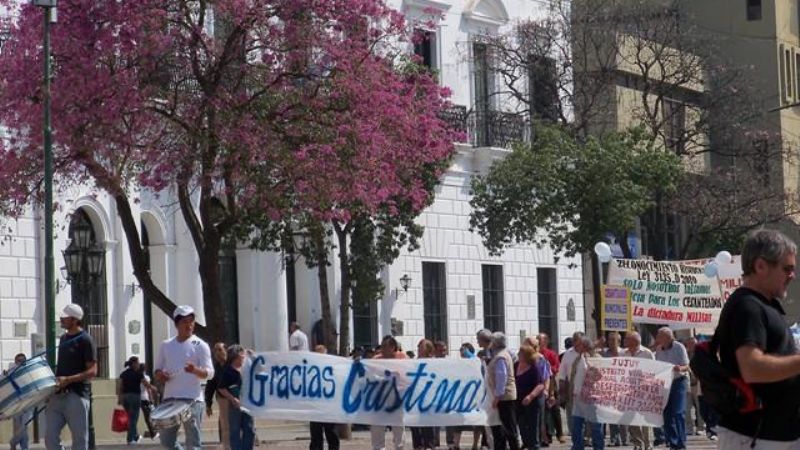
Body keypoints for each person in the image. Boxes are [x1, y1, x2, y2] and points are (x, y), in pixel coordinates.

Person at [715, 229, 800, 449]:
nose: (793, 275)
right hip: (754, 437)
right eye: (787, 269)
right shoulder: (748, 307)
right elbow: (752, 368)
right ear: (761, 266)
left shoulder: (765, 305)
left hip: (773, 435)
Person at [154, 305, 214, 450]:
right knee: (167, 442)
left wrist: (195, 370)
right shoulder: (166, 345)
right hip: (170, 398)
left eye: (191, 321)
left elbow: (210, 373)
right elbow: (157, 371)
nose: (189, 325)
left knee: (193, 443)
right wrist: (161, 376)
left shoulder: (200, 345)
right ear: (176, 324)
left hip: (192, 399)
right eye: (185, 322)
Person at [46, 303, 97, 450]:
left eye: (65, 317)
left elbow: (93, 371)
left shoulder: (86, 340)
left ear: (75, 320)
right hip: (58, 394)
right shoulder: (63, 339)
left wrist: (68, 380)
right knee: (50, 437)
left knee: (80, 440)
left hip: (77, 395)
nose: (61, 318)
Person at [566, 336, 603, 450]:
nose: (576, 346)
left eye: (579, 344)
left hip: (592, 399)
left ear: (585, 346)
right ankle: (577, 447)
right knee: (576, 427)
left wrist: (589, 361)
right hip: (577, 398)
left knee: (595, 427)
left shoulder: (597, 358)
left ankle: (598, 447)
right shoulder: (578, 358)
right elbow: (573, 376)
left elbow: (598, 376)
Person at [654, 327, 689, 450]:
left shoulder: (679, 347)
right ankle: (674, 443)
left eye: (659, 336)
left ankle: (681, 442)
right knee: (667, 413)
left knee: (678, 412)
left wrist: (680, 368)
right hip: (665, 384)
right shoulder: (658, 350)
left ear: (668, 338)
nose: (657, 338)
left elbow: (687, 365)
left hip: (679, 382)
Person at [370, 336, 406, 450]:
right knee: (377, 426)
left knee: (398, 426)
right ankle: (378, 448)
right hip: (380, 398)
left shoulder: (402, 358)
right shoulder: (376, 359)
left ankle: (399, 447)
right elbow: (370, 375)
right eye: (382, 346)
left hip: (397, 397)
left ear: (393, 347)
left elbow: (407, 375)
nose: (383, 349)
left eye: (386, 346)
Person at [487, 332, 520, 450]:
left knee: (509, 427)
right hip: (505, 396)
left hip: (505, 396)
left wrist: (497, 397)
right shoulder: (502, 355)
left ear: (494, 343)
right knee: (506, 426)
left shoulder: (501, 357)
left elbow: (502, 378)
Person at [218, 345, 254, 450]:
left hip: (248, 404)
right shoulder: (227, 371)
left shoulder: (246, 368)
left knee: (249, 429)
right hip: (235, 405)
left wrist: (253, 356)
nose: (243, 358)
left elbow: (261, 368)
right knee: (235, 430)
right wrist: (232, 399)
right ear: (235, 357)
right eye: (241, 356)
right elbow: (221, 388)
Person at [515, 342, 549, 450]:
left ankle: (534, 446)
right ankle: (527, 444)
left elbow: (540, 385)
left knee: (533, 428)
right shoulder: (515, 365)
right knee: (521, 426)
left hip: (533, 401)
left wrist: (530, 396)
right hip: (518, 401)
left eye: (520, 353)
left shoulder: (534, 367)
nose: (518, 354)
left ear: (526, 355)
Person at [624, 332, 654, 450]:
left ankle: (648, 444)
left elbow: (654, 370)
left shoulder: (647, 353)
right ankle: (637, 443)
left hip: (644, 390)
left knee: (645, 419)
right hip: (629, 391)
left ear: (634, 341)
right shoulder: (623, 353)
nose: (624, 341)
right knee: (632, 419)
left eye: (627, 339)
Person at [117, 356, 155, 444]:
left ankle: (134, 436)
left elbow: (120, 387)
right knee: (133, 418)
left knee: (130, 418)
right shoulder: (138, 373)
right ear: (134, 364)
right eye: (137, 363)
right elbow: (146, 383)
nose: (138, 364)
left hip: (125, 397)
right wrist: (153, 388)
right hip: (134, 396)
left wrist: (120, 398)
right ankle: (130, 439)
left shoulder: (124, 374)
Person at [309, 345, 339, 450]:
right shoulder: (310, 369)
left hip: (329, 406)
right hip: (315, 406)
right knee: (316, 436)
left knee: (332, 433)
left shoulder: (333, 368)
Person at [600, 332, 627, 447]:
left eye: (613, 340)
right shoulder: (603, 353)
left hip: (623, 387)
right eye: (609, 340)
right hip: (609, 388)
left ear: (619, 341)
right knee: (611, 414)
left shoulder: (625, 353)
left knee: (623, 415)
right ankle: (614, 438)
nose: (610, 342)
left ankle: (625, 438)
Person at [537, 333, 564, 446]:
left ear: (545, 341)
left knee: (555, 410)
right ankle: (547, 436)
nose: (538, 342)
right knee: (543, 413)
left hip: (552, 384)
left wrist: (547, 367)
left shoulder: (551, 354)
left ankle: (560, 433)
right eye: (537, 340)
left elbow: (557, 368)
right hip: (540, 386)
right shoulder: (535, 355)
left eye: (540, 340)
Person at [411, 340, 436, 450]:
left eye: (421, 347)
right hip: (415, 397)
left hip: (428, 397)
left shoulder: (434, 362)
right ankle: (418, 446)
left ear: (428, 349)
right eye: (418, 347)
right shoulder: (413, 362)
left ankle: (429, 445)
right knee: (415, 423)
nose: (419, 349)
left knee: (428, 423)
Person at [557, 331, 584, 435]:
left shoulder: (588, 353)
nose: (575, 342)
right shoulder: (567, 354)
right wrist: (562, 392)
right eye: (574, 340)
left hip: (586, 392)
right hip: (571, 391)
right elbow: (562, 374)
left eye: (577, 340)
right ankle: (576, 439)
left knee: (584, 418)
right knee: (572, 418)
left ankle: (585, 438)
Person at [205, 342, 230, 450]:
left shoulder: (233, 365)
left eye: (220, 350)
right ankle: (225, 445)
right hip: (222, 399)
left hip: (237, 399)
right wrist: (208, 404)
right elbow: (210, 387)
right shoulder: (215, 368)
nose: (217, 353)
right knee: (224, 424)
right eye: (215, 351)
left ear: (226, 350)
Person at [7, 353, 31, 450]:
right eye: (18, 361)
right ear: (15, 362)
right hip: (16, 403)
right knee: (18, 428)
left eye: (23, 361)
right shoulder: (11, 371)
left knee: (24, 427)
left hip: (28, 402)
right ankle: (23, 448)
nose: (21, 363)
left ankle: (13, 442)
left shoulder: (29, 371)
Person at [682, 337, 704, 437]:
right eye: (690, 344)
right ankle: (689, 428)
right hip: (686, 384)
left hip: (698, 384)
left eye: (693, 344)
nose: (692, 345)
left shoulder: (701, 354)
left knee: (699, 408)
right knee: (687, 408)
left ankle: (700, 428)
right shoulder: (684, 354)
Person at [139, 364, 158, 440]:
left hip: (137, 398)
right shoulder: (146, 377)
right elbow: (148, 389)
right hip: (144, 398)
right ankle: (152, 433)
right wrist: (151, 399)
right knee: (148, 416)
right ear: (145, 370)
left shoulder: (136, 376)